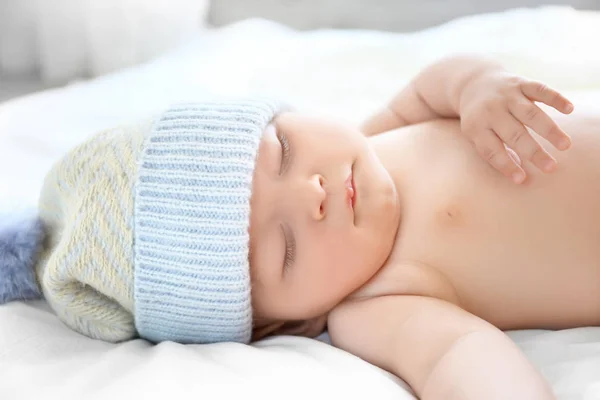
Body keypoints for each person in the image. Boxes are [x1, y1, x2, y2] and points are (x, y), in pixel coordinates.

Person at [0, 54, 596, 399]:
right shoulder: (373, 304)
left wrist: (476, 87)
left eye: (282, 150)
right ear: (291, 322)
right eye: (285, 248)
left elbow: (437, 81)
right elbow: (456, 357)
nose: (312, 193)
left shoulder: (382, 130)